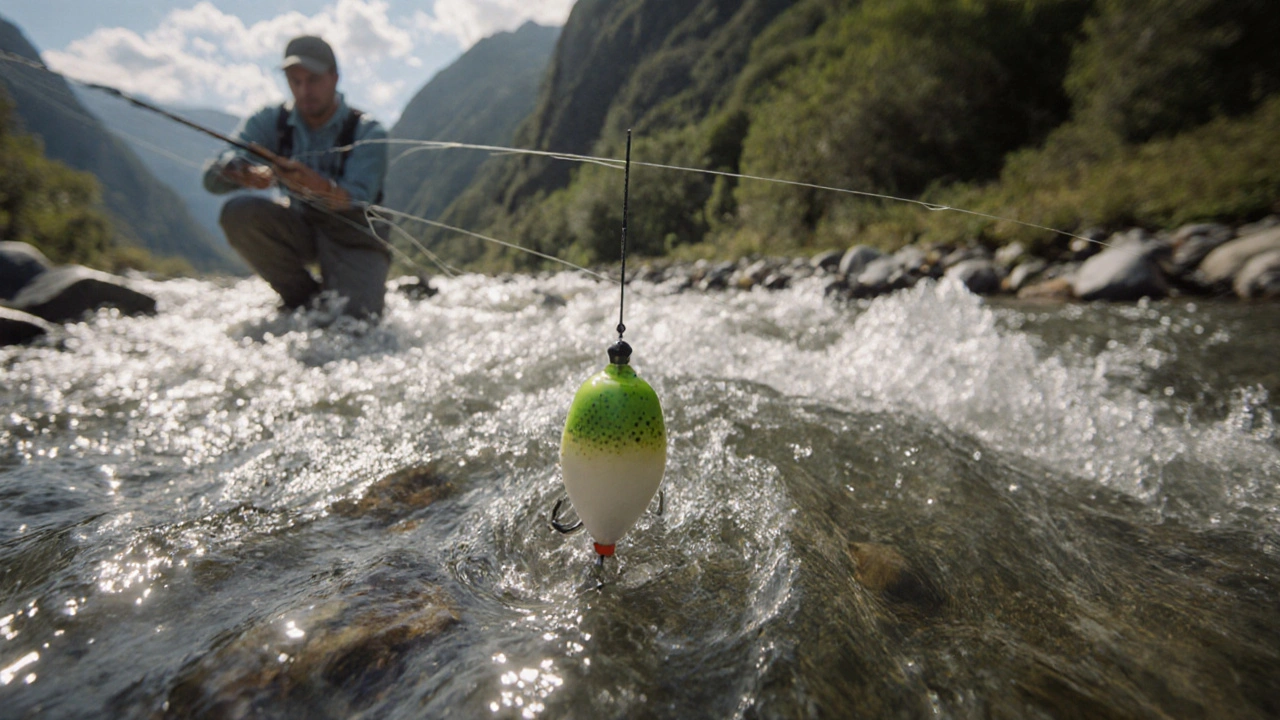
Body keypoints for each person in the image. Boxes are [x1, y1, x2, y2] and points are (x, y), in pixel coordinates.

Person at [203, 35, 390, 319]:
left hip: (355, 237)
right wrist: (241, 172)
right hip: (299, 227)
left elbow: (358, 197)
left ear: (335, 78)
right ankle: (304, 299)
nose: (304, 90)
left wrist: (318, 186)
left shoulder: (368, 131)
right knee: (238, 212)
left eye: (313, 79)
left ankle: (338, 297)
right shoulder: (269, 121)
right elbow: (212, 178)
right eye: (295, 81)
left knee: (356, 327)